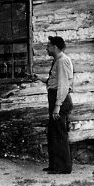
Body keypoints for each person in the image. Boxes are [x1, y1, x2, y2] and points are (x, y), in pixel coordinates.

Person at [32, 36, 74, 174]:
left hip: (60, 99)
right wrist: (39, 78)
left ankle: (63, 167)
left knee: (59, 133)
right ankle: (55, 165)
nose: (46, 48)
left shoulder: (62, 61)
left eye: (48, 46)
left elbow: (63, 85)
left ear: (55, 47)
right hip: (56, 98)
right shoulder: (57, 60)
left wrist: (57, 106)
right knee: (53, 133)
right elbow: (54, 81)